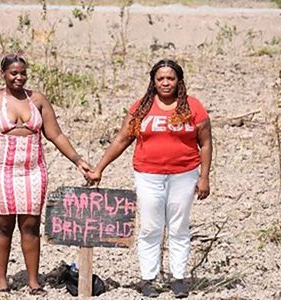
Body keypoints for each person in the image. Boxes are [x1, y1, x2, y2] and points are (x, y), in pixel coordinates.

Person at [86, 59, 212, 298]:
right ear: (153, 82)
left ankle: (178, 278)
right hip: (148, 175)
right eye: (161, 79)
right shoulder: (141, 107)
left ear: (179, 81)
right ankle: (148, 278)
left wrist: (204, 177)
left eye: (171, 78)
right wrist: (100, 168)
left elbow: (205, 143)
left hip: (184, 174)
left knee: (178, 227)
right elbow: (123, 139)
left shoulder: (194, 107)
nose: (166, 83)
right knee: (151, 227)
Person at [0, 54, 91, 296]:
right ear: (4, 74)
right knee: (3, 225)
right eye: (13, 73)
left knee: (31, 225)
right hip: (1, 171)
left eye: (22, 73)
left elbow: (55, 135)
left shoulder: (37, 100)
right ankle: (2, 281)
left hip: (32, 172)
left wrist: (77, 160)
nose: (19, 77)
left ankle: (34, 281)